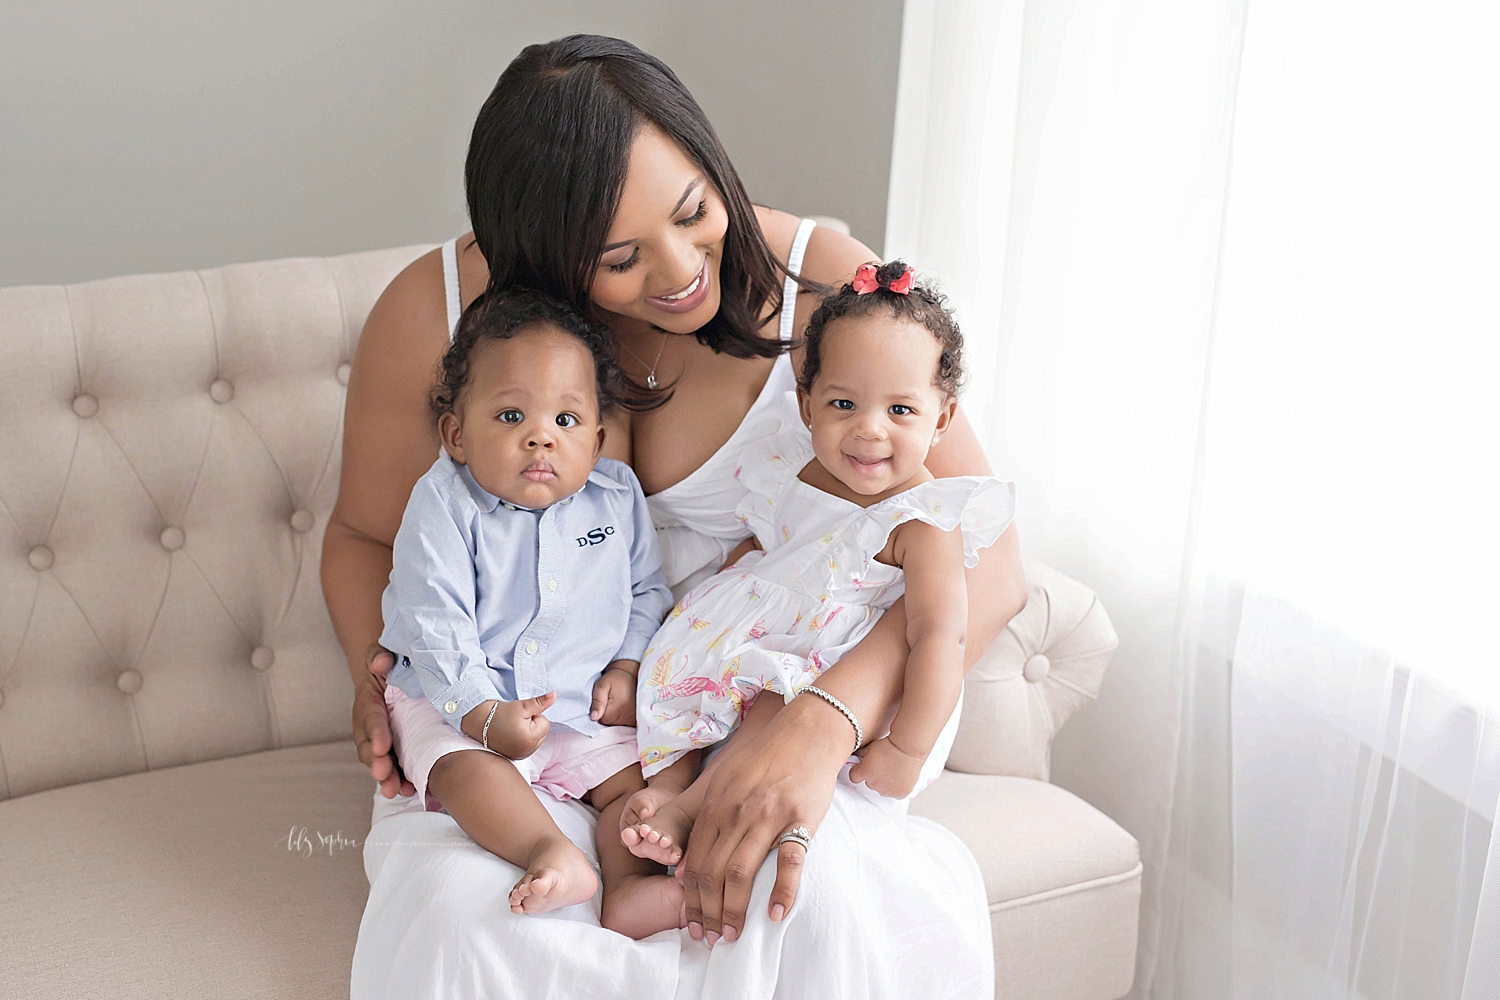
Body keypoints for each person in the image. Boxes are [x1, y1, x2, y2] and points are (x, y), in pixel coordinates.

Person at [328, 34, 1026, 996]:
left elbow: (989, 561)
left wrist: (818, 726)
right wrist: (390, 681)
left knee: (795, 897)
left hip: (765, 697)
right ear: (542, 257)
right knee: (466, 917)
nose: (682, 268)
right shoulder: (437, 311)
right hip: (522, 722)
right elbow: (366, 537)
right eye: (620, 257)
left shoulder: (824, 281)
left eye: (695, 210)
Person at [620, 261, 1016, 868]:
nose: (868, 430)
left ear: (941, 420)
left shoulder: (924, 517)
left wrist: (908, 748)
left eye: (900, 411)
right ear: (807, 405)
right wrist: (725, 589)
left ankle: (691, 804)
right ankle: (671, 782)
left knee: (776, 698)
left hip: (831, 666)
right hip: (762, 619)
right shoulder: (795, 465)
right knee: (679, 673)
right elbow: (773, 541)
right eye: (844, 402)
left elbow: (940, 635)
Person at [377, 288, 682, 938]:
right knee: (464, 771)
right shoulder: (441, 507)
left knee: (633, 788)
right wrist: (483, 714)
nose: (541, 435)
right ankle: (548, 852)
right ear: (457, 435)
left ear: (598, 440)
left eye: (566, 422)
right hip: (457, 700)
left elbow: (648, 590)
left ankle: (629, 888)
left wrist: (628, 665)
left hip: (574, 704)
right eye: (511, 415)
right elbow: (436, 626)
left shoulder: (615, 497)